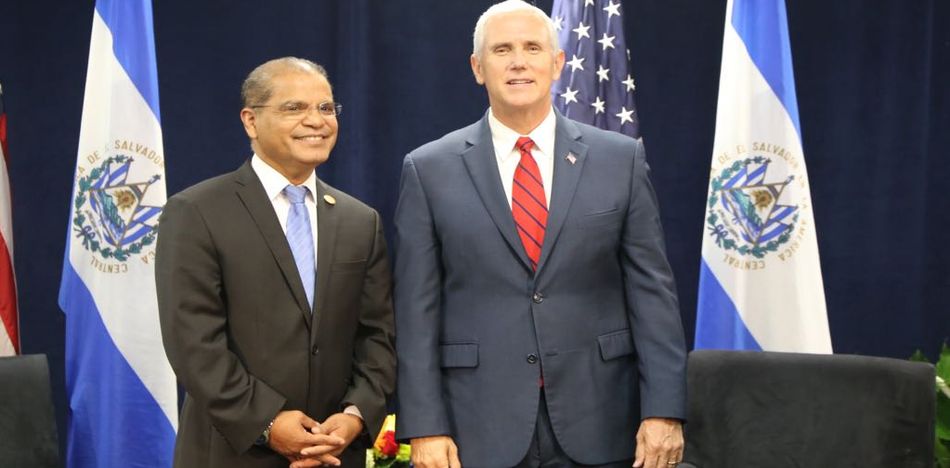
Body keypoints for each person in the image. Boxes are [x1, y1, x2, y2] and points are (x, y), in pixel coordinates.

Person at [393, 1, 687, 467]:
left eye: (532, 48)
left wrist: (664, 412)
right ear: (477, 68)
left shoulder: (620, 160)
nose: (517, 62)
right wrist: (425, 426)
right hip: (477, 425)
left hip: (605, 418)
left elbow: (653, 294)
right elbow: (415, 310)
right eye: (502, 49)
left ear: (557, 63)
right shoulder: (429, 169)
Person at [157, 57, 395, 468]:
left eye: (325, 108)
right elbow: (194, 344)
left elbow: (378, 335)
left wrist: (355, 416)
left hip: (336, 454)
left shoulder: (361, 220)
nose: (316, 121)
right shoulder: (196, 211)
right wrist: (267, 422)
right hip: (233, 452)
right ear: (250, 121)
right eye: (294, 108)